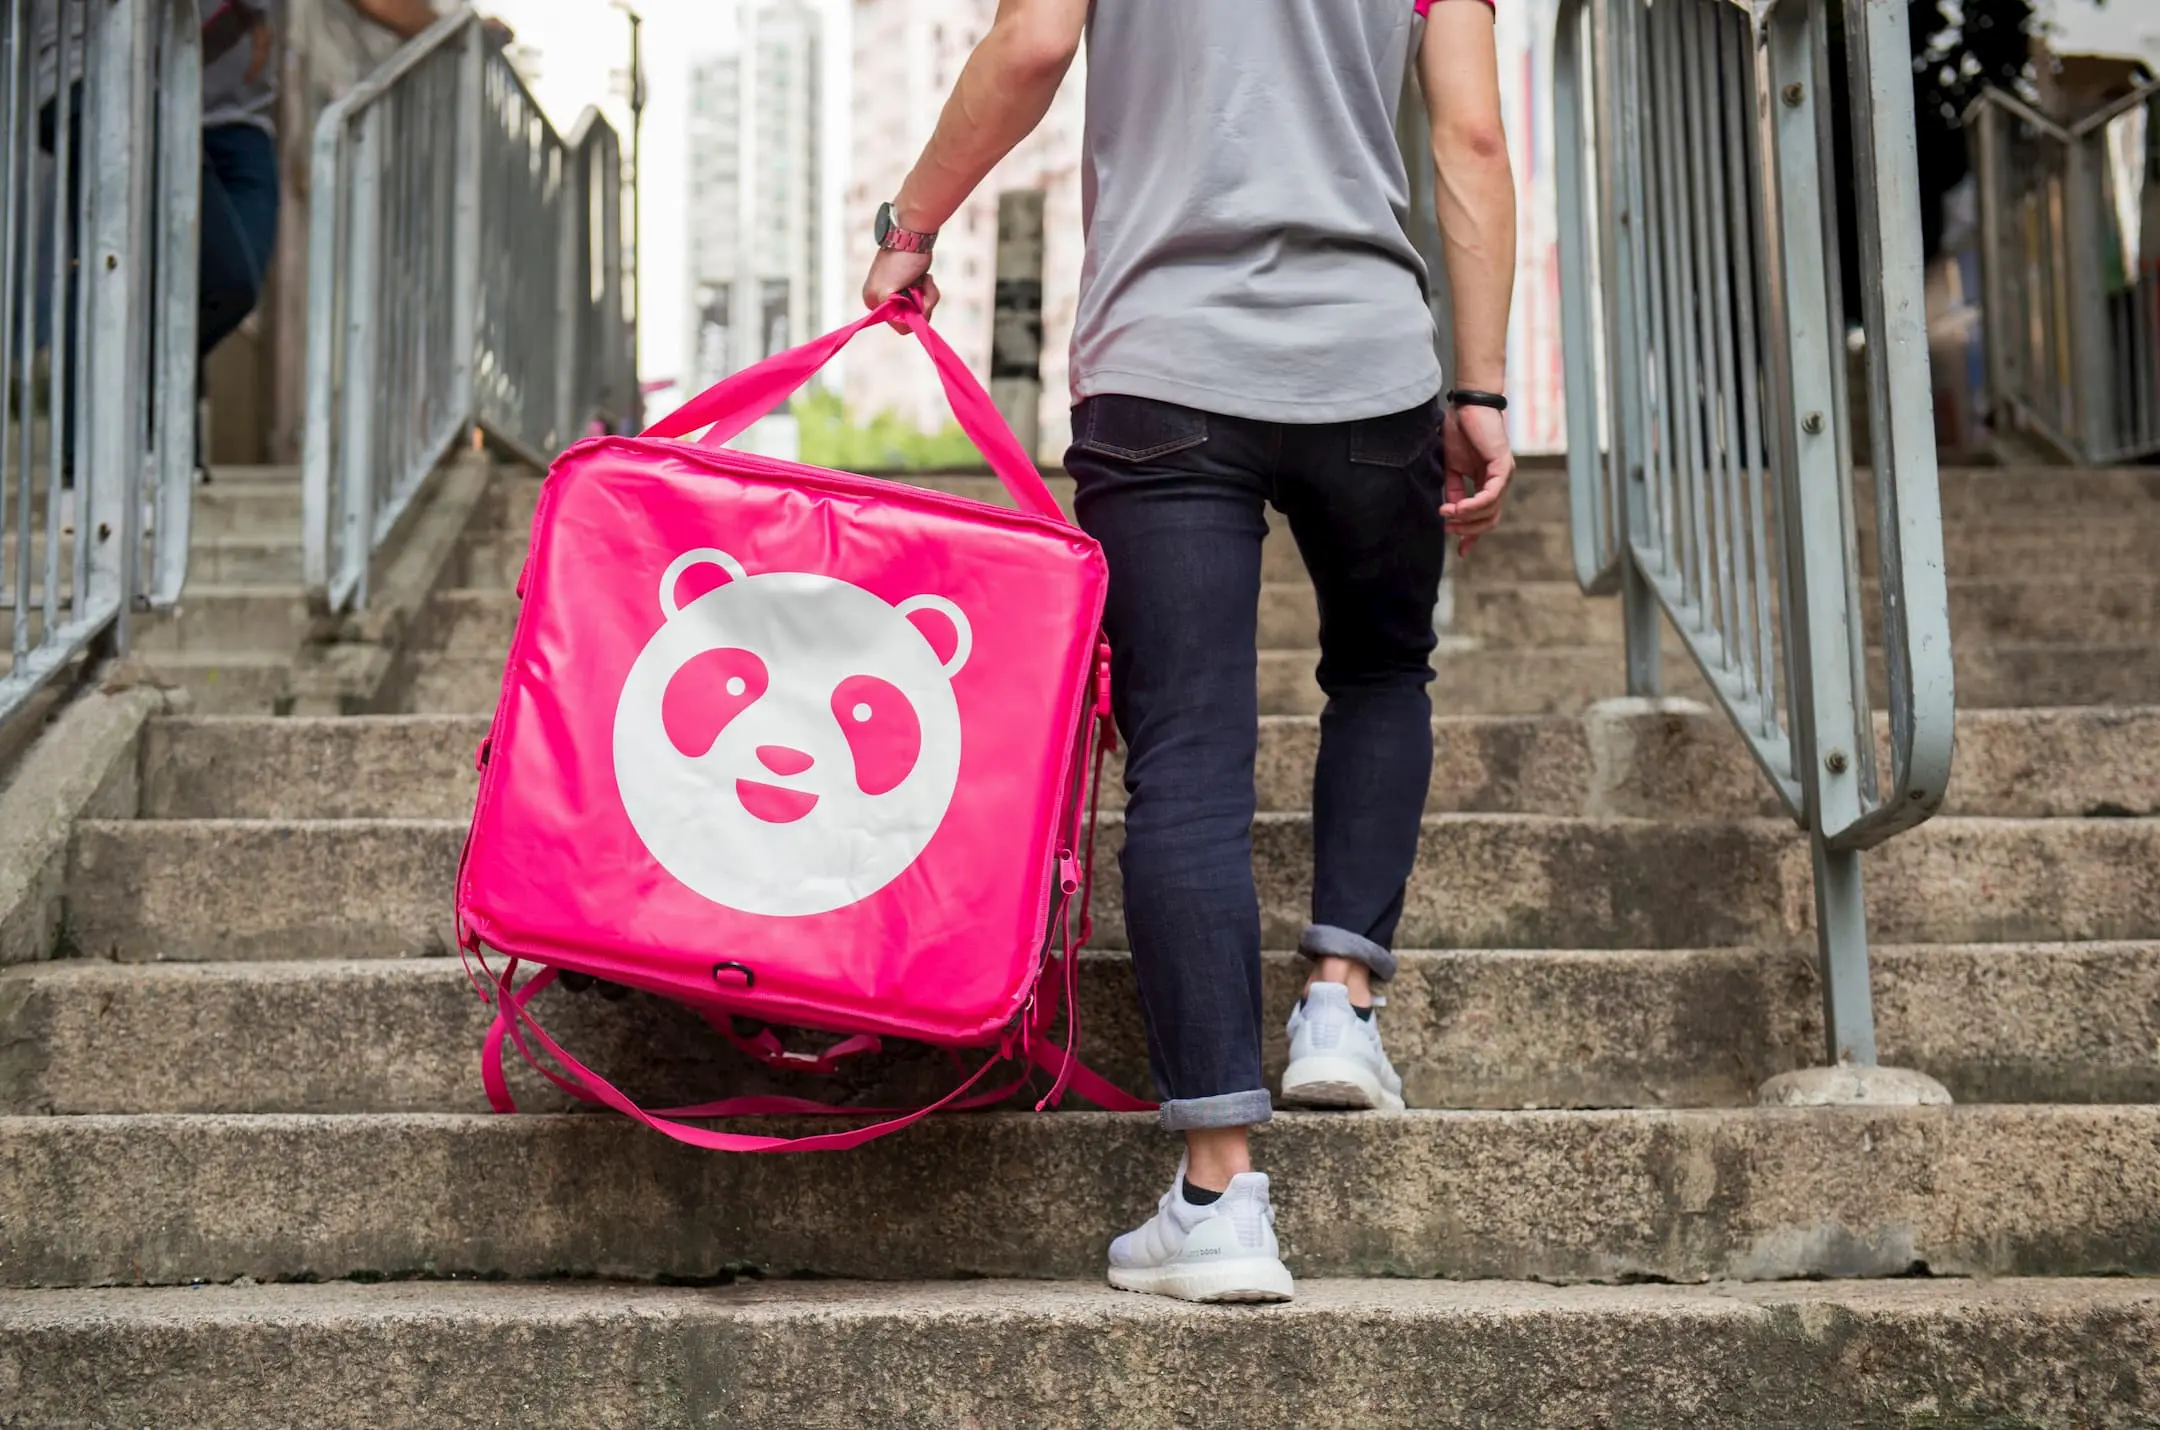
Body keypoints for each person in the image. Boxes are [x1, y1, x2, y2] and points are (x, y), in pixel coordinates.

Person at [862, 0, 1518, 1304]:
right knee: (1382, 669)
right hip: (1370, 365)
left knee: (1190, 760)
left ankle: (1220, 1193)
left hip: (1164, 366)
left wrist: (911, 227)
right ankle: (1338, 999)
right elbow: (1475, 137)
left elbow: (1034, 44)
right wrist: (1482, 387)